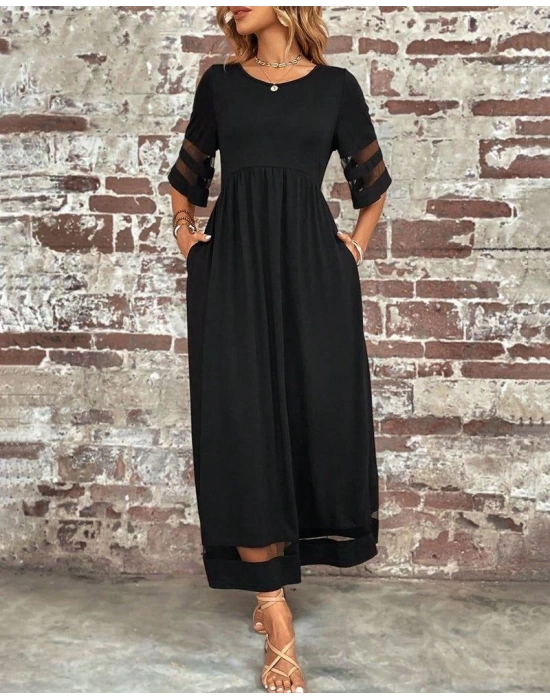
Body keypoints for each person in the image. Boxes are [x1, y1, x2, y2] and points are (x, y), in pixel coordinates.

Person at [168, 6, 391, 695]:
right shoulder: (221, 84)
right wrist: (187, 238)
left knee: (314, 412)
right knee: (241, 425)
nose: (232, 3)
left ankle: (280, 580)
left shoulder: (335, 87)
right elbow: (186, 177)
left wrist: (352, 249)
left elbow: (374, 184)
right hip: (233, 271)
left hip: (311, 275)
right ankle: (274, 607)